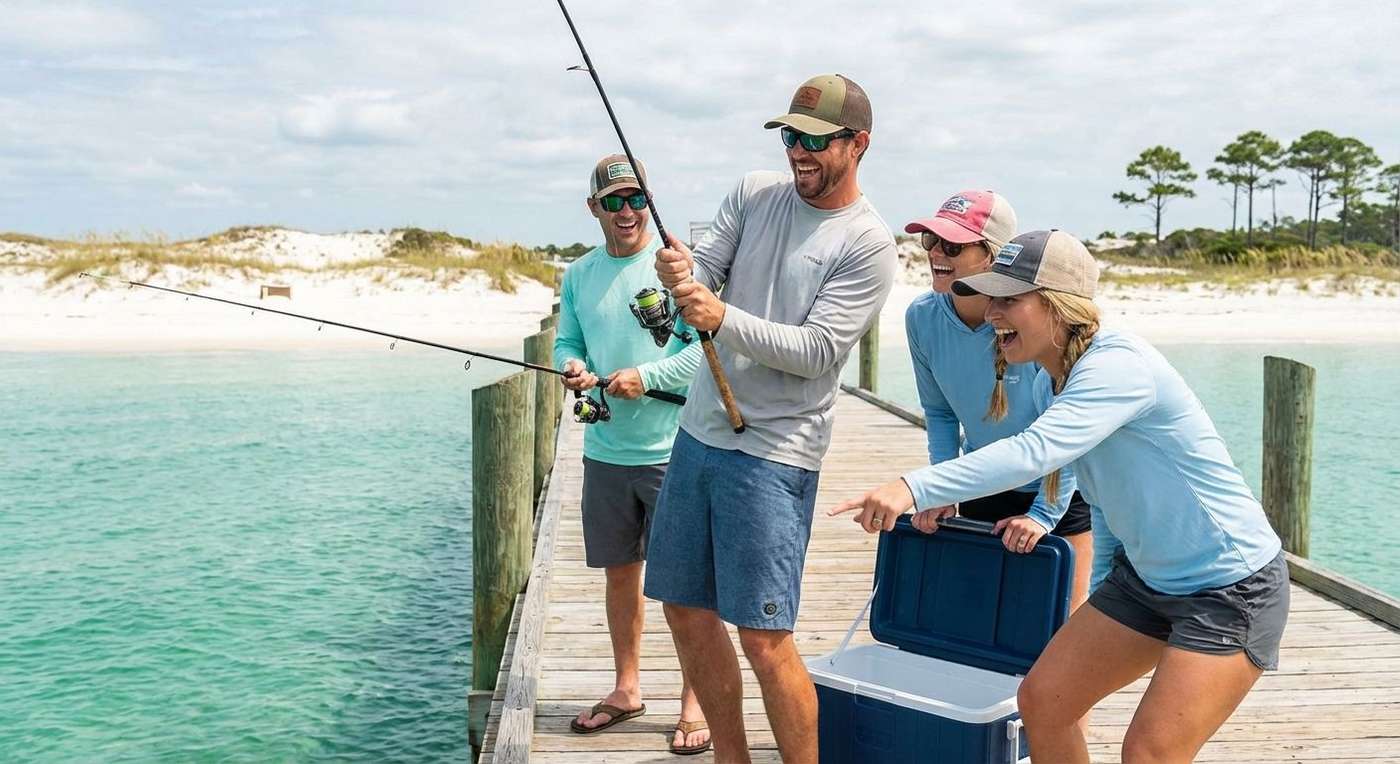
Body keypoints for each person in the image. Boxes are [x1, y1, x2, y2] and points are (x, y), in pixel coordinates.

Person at [831, 230, 1288, 764]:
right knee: (1043, 702)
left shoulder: (1116, 366)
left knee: (1149, 752)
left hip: (1229, 589)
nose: (992, 314)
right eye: (990, 298)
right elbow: (1106, 503)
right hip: (1145, 584)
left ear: (1058, 306)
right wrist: (1106, 591)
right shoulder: (1051, 381)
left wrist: (912, 486)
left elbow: (1034, 452)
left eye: (1008, 299)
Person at [645, 73, 898, 763]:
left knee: (763, 637)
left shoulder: (868, 242)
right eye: (790, 135)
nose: (798, 151)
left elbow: (816, 353)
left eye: (815, 140)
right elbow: (706, 273)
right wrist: (681, 276)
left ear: (858, 144)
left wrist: (720, 316)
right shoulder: (755, 192)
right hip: (699, 435)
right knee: (684, 609)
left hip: (775, 455)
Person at [553, 154, 711, 755]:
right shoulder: (579, 275)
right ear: (593, 208)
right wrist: (573, 365)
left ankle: (695, 702)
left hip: (676, 450)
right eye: (614, 201)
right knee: (620, 574)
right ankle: (627, 689)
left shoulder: (677, 267)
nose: (627, 211)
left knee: (685, 584)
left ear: (650, 201)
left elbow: (703, 352)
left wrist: (646, 377)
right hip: (605, 451)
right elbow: (568, 340)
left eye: (636, 198)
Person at [902, 191, 1094, 610]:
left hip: (1060, 490)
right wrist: (941, 489)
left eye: (952, 245)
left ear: (993, 256)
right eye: (931, 240)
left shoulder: (1032, 323)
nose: (936, 253)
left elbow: (1068, 433)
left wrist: (1044, 514)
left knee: (1062, 628)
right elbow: (939, 413)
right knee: (984, 619)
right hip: (984, 482)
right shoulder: (921, 316)